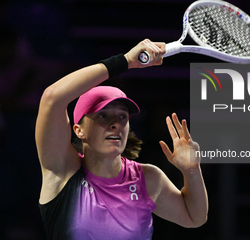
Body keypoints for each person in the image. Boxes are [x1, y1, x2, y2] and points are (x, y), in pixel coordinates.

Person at [35, 39, 208, 240]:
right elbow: (52, 97)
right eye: (103, 115)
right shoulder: (62, 172)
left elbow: (194, 217)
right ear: (79, 130)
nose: (115, 123)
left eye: (122, 116)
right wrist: (125, 61)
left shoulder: (147, 178)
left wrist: (192, 172)